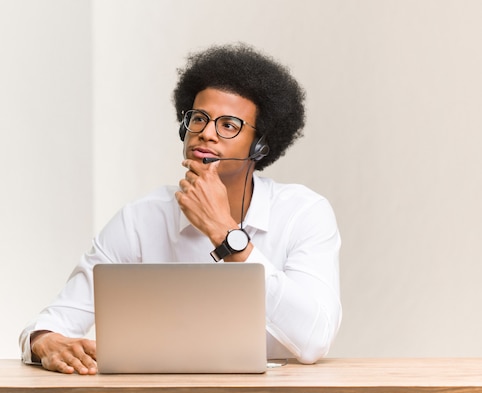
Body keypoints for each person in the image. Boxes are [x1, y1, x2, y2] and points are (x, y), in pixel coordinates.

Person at [19, 43, 342, 375]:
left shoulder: (304, 213)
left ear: (260, 145)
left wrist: (226, 235)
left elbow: (313, 339)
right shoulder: (141, 218)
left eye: (228, 125)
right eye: (199, 119)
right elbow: (55, 320)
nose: (205, 134)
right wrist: (45, 341)